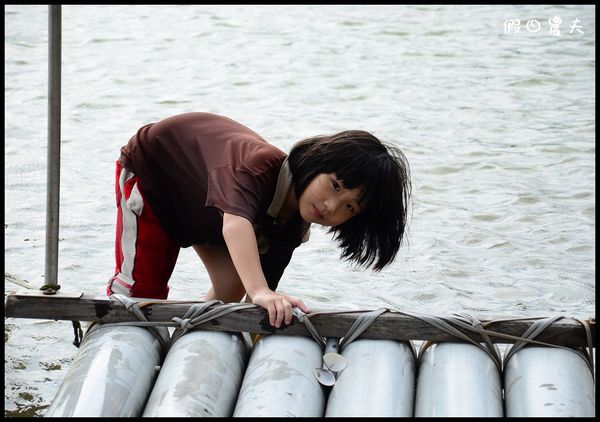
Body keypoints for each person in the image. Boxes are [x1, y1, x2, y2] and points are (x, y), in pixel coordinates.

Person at [107, 112, 411, 328]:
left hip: (201, 205)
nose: (331, 206)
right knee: (142, 293)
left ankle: (183, 342)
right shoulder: (257, 167)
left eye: (349, 208)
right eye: (334, 185)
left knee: (229, 289)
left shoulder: (294, 226)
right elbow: (235, 225)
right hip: (155, 178)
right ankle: (108, 337)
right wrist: (261, 291)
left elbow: (259, 296)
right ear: (318, 161)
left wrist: (267, 302)